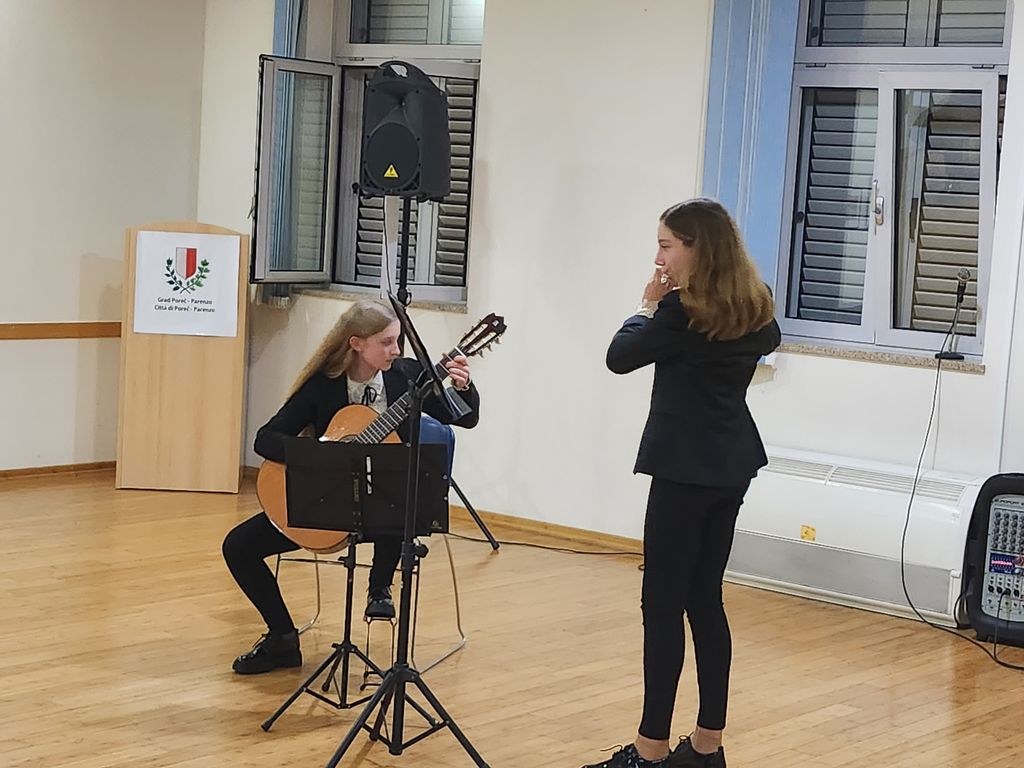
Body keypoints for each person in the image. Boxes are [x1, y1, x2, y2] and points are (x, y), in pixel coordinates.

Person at [582, 199, 780, 768]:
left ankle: (650, 749)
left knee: (662, 606)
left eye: (667, 245)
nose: (658, 257)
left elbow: (620, 356)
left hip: (682, 469)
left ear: (697, 249)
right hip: (731, 463)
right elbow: (767, 341)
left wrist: (646, 304)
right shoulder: (755, 306)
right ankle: (706, 745)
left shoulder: (678, 312)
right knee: (705, 600)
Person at [222, 299, 480, 675]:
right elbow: (266, 438)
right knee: (238, 546)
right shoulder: (323, 387)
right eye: (386, 342)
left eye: (398, 340)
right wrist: (323, 455)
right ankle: (282, 638)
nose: (396, 350)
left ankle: (380, 589)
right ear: (356, 343)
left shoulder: (409, 377)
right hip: (327, 503)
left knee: (398, 492)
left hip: (386, 510)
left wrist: (464, 386)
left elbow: (465, 418)